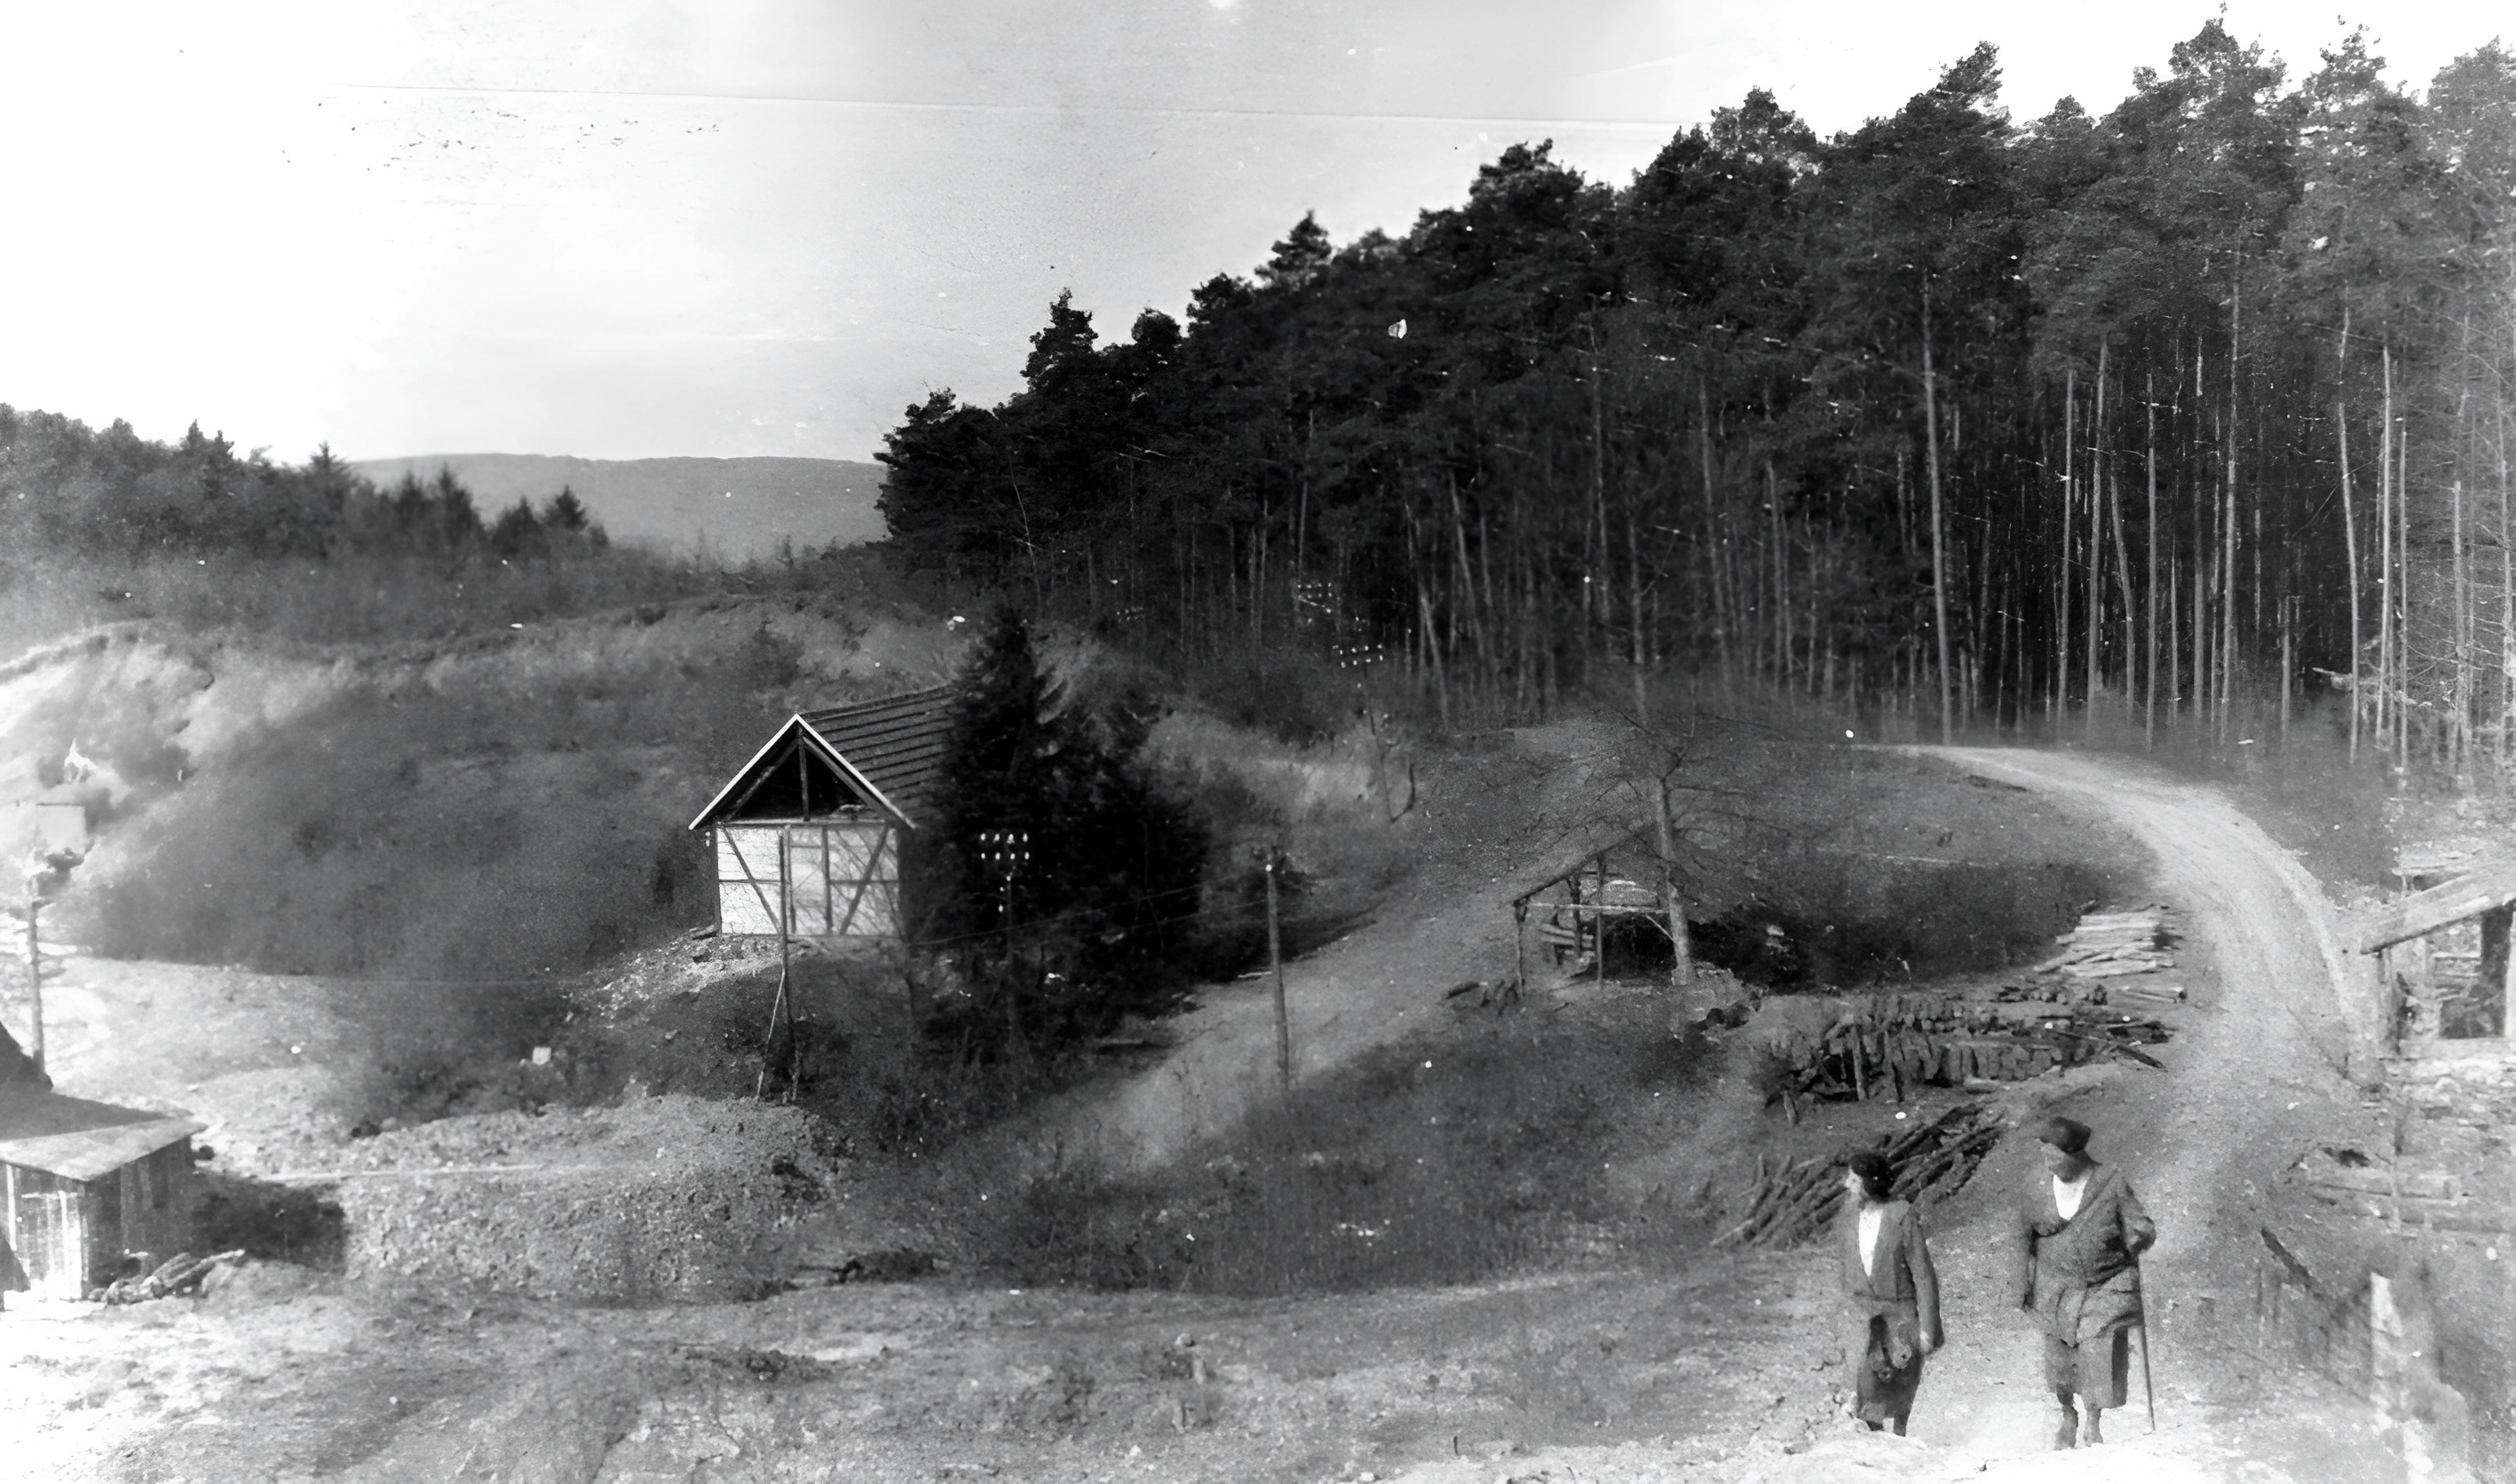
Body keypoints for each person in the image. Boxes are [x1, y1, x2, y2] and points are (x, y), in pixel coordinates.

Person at [2017, 1115, 2155, 1448]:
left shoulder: (2110, 1182)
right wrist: (2021, 1284)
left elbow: (2142, 1227)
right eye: (2044, 1157)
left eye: (2055, 1157)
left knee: (2097, 1349)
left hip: (2105, 1283)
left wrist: (2137, 1237)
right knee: (2060, 1359)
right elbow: (2021, 1237)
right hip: (2056, 1287)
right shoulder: (2035, 1185)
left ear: (2074, 1154)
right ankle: (2068, 1414)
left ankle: (2093, 1420)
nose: (2049, 1165)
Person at [1838, 1149, 1942, 1435]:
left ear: (1871, 1184)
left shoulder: (1901, 1214)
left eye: (1854, 1180)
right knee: (1868, 1392)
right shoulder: (1848, 1215)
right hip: (1866, 1319)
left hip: (1901, 1317)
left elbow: (1923, 1274)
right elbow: (1848, 1270)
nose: (1847, 1185)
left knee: (1900, 1389)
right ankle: (1877, 1446)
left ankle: (1900, 1443)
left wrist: (1928, 1330)